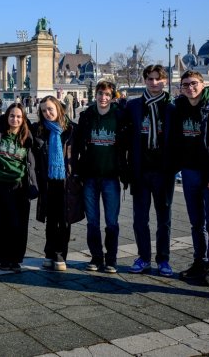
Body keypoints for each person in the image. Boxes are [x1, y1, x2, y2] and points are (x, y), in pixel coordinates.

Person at [174, 71, 209, 287]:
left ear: (203, 84)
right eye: (186, 84)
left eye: (194, 83)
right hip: (189, 172)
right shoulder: (180, 109)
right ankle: (199, 261)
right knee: (195, 223)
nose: (190, 87)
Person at [123, 65, 178, 276]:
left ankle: (163, 259)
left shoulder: (172, 108)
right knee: (140, 218)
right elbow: (123, 135)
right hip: (141, 171)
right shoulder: (134, 107)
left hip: (163, 172)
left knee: (164, 218)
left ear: (165, 81)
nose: (154, 83)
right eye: (150, 79)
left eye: (158, 79)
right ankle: (143, 257)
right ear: (145, 81)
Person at [71, 81, 126, 274]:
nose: (103, 98)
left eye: (107, 95)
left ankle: (111, 258)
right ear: (95, 95)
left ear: (113, 97)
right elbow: (76, 145)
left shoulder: (119, 116)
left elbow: (126, 145)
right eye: (100, 94)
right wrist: (76, 170)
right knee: (92, 221)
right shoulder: (86, 116)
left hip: (111, 176)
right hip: (90, 177)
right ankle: (96, 256)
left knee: (112, 221)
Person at [0, 103, 38, 272]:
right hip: (2, 183)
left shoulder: (29, 137)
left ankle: (16, 258)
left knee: (20, 223)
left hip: (21, 184)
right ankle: (3, 258)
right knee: (4, 223)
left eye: (18, 116)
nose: (15, 119)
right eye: (12, 116)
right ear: (6, 117)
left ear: (23, 118)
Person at [32, 96, 75, 271]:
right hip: (47, 180)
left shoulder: (71, 129)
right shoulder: (38, 130)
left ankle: (60, 254)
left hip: (66, 181)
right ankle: (49, 252)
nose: (47, 113)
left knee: (64, 219)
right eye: (43, 110)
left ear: (58, 108)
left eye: (50, 109)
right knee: (50, 219)